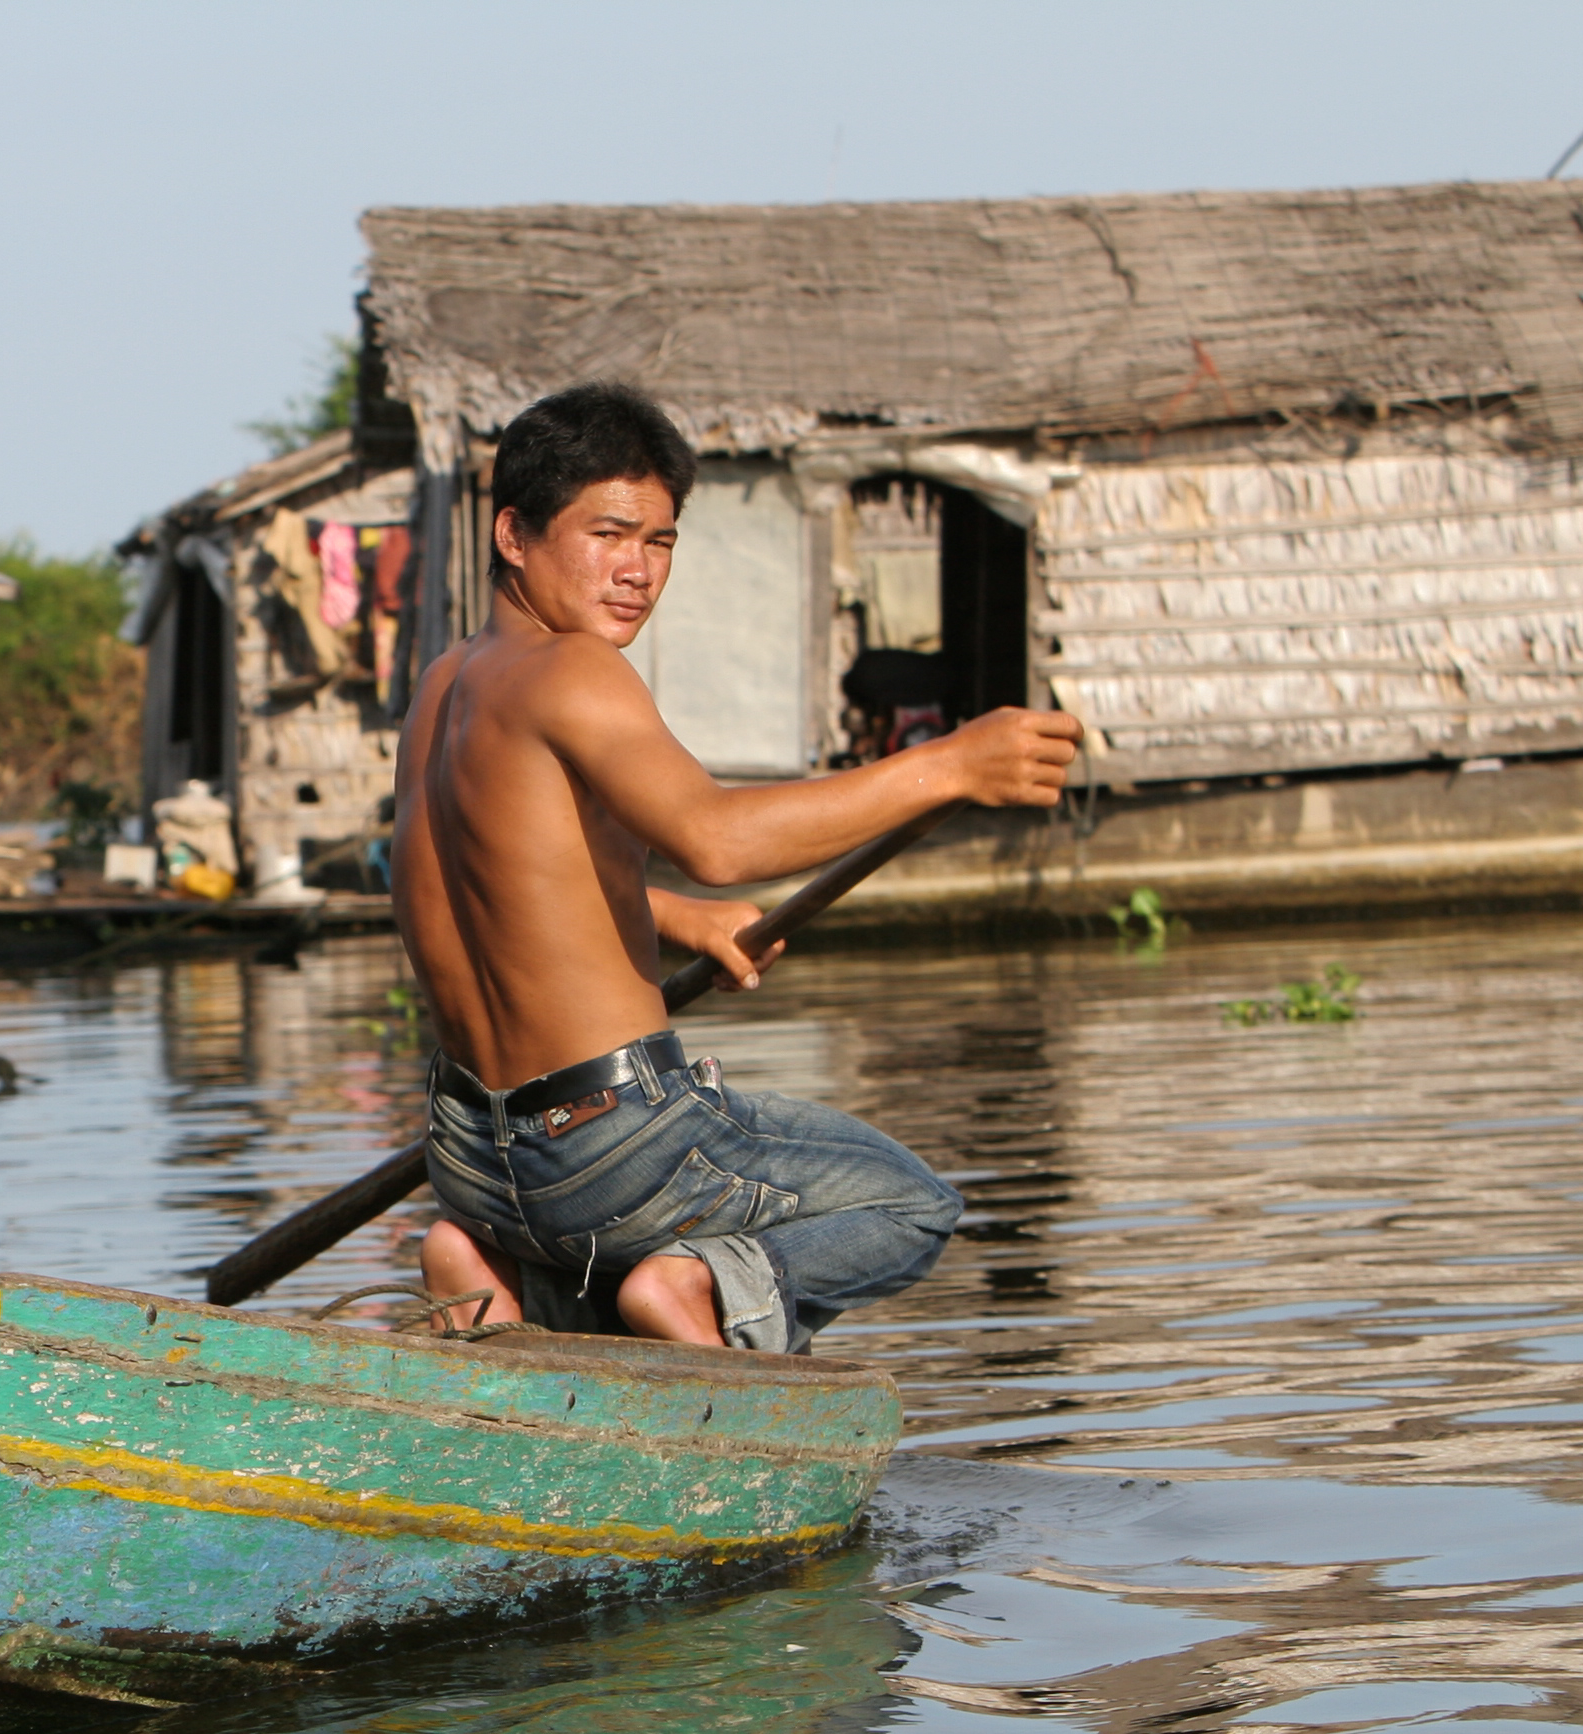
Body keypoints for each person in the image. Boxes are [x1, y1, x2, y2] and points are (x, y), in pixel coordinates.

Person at [391, 383, 1082, 1349]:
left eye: (660, 542)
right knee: (910, 1203)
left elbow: (485, 875)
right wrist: (950, 763)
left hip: (469, 1156)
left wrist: (671, 917)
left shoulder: (443, 685)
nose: (635, 570)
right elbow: (719, 840)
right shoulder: (573, 670)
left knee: (602, 1270)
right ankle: (701, 1286)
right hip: (616, 1146)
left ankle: (498, 1276)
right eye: (608, 534)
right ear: (514, 536)